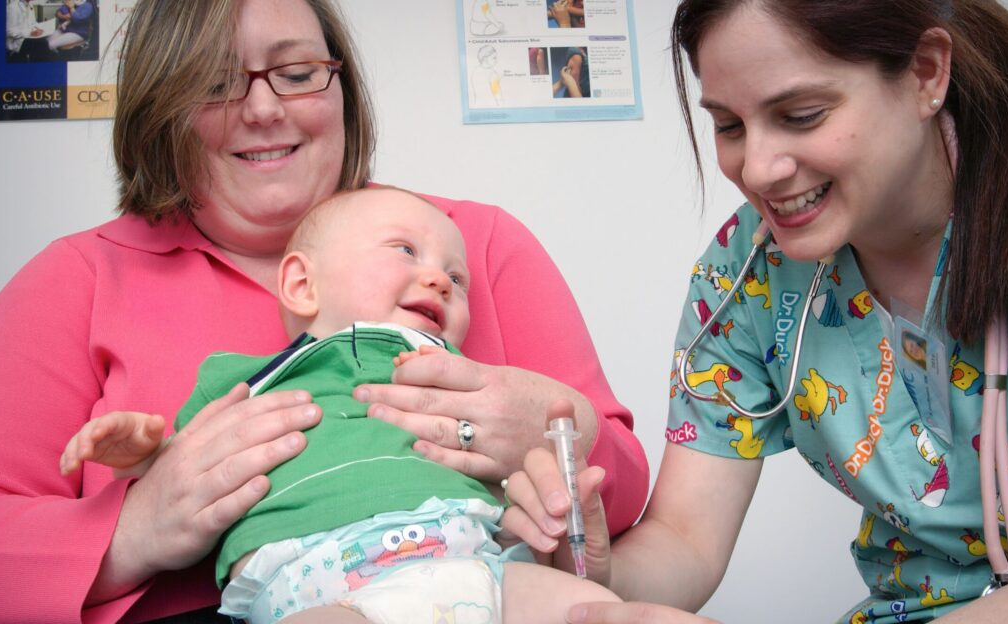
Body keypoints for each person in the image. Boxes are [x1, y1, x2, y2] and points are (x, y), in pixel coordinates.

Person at [0, 1, 647, 622]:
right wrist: (132, 531)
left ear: (340, 86)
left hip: (482, 589)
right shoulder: (78, 278)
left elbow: (619, 495)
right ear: (163, 106)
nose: (263, 109)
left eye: (298, 71)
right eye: (215, 83)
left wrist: (560, 430)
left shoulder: (472, 248)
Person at [504, 0, 1008, 622]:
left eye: (802, 115)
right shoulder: (746, 271)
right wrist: (593, 563)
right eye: (729, 125)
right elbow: (685, 539)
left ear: (926, 73)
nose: (757, 168)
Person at [59, 187, 620, 623]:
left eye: (457, 277)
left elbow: (531, 465)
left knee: (597, 608)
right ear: (303, 283)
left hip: (473, 560)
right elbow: (189, 481)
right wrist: (141, 454)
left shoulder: (465, 379)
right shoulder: (244, 381)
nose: (441, 281)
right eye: (406, 250)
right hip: (315, 578)